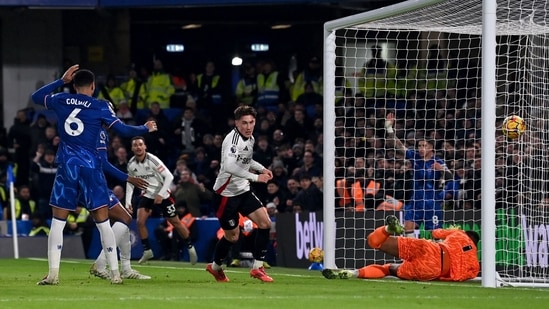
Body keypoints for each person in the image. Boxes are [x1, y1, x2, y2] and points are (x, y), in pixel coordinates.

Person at [31, 64, 157, 285]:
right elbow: (124, 131)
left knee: (57, 223)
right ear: (93, 86)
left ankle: (53, 274)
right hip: (90, 168)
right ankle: (116, 274)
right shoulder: (99, 106)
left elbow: (36, 96)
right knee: (103, 223)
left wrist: (61, 81)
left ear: (74, 84)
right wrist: (145, 128)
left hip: (67, 166)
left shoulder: (60, 99)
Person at [206, 105, 274, 283]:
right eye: (244, 123)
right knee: (233, 236)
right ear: (236, 123)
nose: (248, 126)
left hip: (243, 190)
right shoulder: (232, 140)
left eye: (251, 122)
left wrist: (262, 168)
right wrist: (256, 177)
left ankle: (257, 267)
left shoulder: (249, 138)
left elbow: (246, 159)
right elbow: (230, 166)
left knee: (265, 223)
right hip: (225, 195)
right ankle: (215, 267)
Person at [322, 215, 480, 282]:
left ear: (467, 235)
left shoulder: (460, 234)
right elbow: (457, 278)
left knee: (375, 242)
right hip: (432, 270)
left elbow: (436, 232)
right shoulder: (475, 267)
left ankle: (388, 229)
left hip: (430, 248)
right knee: (389, 269)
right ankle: (354, 274)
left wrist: (450, 231)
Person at [89, 127, 151, 280]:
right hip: (93, 183)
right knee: (125, 218)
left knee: (121, 220)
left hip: (89, 182)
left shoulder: (86, 129)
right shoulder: (99, 131)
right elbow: (103, 162)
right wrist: (127, 177)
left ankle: (125, 268)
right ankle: (102, 264)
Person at [125, 136, 197, 265]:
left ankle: (190, 247)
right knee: (140, 222)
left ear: (145, 146)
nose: (138, 147)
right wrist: (127, 202)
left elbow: (169, 176)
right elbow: (130, 182)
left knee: (176, 223)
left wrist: (161, 194)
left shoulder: (152, 160)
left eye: (140, 144)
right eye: (135, 145)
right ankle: (147, 251)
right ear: (132, 148)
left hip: (162, 195)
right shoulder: (131, 164)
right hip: (147, 195)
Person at [385, 112, 453, 237]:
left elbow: (450, 177)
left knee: (436, 234)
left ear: (431, 147)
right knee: (408, 227)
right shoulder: (415, 157)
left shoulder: (438, 162)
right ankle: (412, 255)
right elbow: (399, 146)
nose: (421, 148)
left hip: (431, 203)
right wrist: (389, 128)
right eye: (419, 146)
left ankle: (439, 254)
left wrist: (441, 170)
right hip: (415, 201)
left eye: (424, 146)